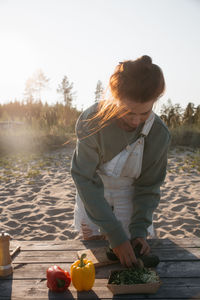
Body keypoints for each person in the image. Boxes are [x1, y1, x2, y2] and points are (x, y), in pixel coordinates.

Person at [70, 55, 171, 268]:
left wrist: (139, 230)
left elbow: (149, 186)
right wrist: (115, 235)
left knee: (132, 259)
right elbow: (84, 179)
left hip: (132, 198)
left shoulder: (159, 135)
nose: (135, 120)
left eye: (144, 113)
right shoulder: (91, 121)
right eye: (127, 111)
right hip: (92, 198)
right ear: (114, 96)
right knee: (97, 265)